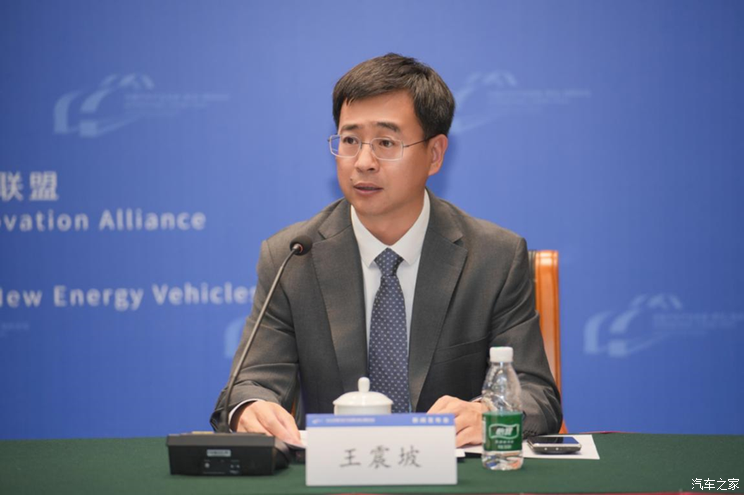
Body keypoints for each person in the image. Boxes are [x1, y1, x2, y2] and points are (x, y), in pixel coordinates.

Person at [211, 53, 562, 447]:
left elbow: (536, 395)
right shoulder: (293, 256)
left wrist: (490, 412)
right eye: (350, 140)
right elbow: (250, 384)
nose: (363, 162)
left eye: (386, 142)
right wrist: (250, 408)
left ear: (434, 154)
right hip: (338, 472)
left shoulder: (494, 258)